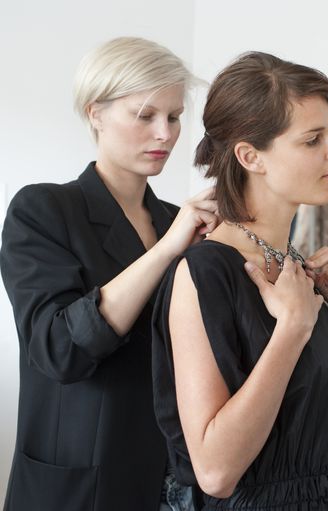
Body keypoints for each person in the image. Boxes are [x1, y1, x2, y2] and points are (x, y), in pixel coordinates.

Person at [0, 37, 219, 511]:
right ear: (96, 113)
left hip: (172, 481)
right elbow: (58, 350)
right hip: (82, 485)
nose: (165, 133)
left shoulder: (173, 221)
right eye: (145, 115)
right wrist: (166, 251)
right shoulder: (43, 209)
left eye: (175, 116)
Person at [151, 52, 328, 510]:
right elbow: (215, 471)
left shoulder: (293, 265)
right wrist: (292, 330)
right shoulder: (205, 273)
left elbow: (303, 416)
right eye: (314, 139)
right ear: (251, 156)